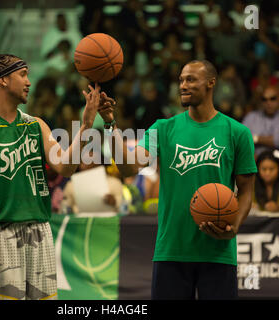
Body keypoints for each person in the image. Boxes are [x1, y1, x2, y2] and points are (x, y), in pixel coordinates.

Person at [0, 53, 110, 300]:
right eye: (23, 74)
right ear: (3, 80)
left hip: (39, 231)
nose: (29, 82)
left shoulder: (37, 125)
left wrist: (86, 126)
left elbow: (65, 168)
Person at [98, 60, 257, 299]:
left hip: (218, 251)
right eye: (181, 80)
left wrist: (233, 228)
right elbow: (129, 168)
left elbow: (246, 190)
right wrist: (110, 125)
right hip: (171, 251)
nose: (183, 85)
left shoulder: (237, 132)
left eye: (191, 79)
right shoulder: (162, 128)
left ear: (211, 83)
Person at [242, 85, 279, 157]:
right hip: (254, 159)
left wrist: (255, 138)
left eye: (272, 98)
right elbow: (242, 139)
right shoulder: (251, 117)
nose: (268, 102)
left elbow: (277, 141)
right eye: (264, 99)